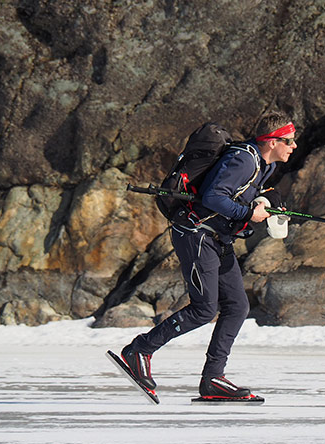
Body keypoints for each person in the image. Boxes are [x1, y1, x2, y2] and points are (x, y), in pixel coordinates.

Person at [120, 111, 297, 399]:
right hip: (196, 234)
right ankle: (139, 350)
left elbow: (243, 192)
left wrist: (267, 199)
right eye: (289, 141)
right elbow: (214, 197)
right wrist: (249, 214)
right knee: (204, 308)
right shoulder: (244, 159)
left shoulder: (262, 164)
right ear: (271, 141)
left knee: (238, 307)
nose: (294, 146)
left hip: (217, 238)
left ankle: (213, 379)